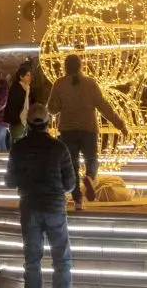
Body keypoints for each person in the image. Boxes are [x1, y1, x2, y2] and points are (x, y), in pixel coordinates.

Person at [6, 104, 77, 288]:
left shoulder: (19, 148)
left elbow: (9, 181)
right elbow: (71, 183)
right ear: (48, 122)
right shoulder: (59, 148)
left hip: (30, 207)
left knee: (32, 262)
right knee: (61, 261)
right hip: (55, 207)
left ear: (28, 122)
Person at [47, 54, 125, 212]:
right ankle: (90, 177)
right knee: (92, 159)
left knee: (72, 165)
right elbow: (103, 106)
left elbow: (52, 109)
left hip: (68, 130)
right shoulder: (90, 84)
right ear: (80, 66)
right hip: (88, 128)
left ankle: (78, 201)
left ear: (65, 67)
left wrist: (62, 104)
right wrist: (119, 123)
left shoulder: (60, 84)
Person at [5, 65, 35, 143]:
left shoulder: (27, 88)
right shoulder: (16, 88)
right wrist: (16, 120)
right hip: (18, 120)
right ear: (21, 76)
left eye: (30, 75)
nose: (30, 77)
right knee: (17, 142)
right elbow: (13, 106)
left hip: (25, 119)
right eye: (27, 75)